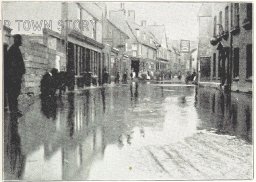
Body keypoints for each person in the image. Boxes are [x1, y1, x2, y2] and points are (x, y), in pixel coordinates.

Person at [6, 34, 26, 116]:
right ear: (17, 40)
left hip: (16, 76)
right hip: (14, 77)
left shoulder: (16, 49)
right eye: (20, 39)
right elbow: (13, 65)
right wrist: (18, 74)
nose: (21, 41)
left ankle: (14, 109)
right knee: (13, 93)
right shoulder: (13, 50)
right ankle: (13, 110)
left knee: (15, 93)